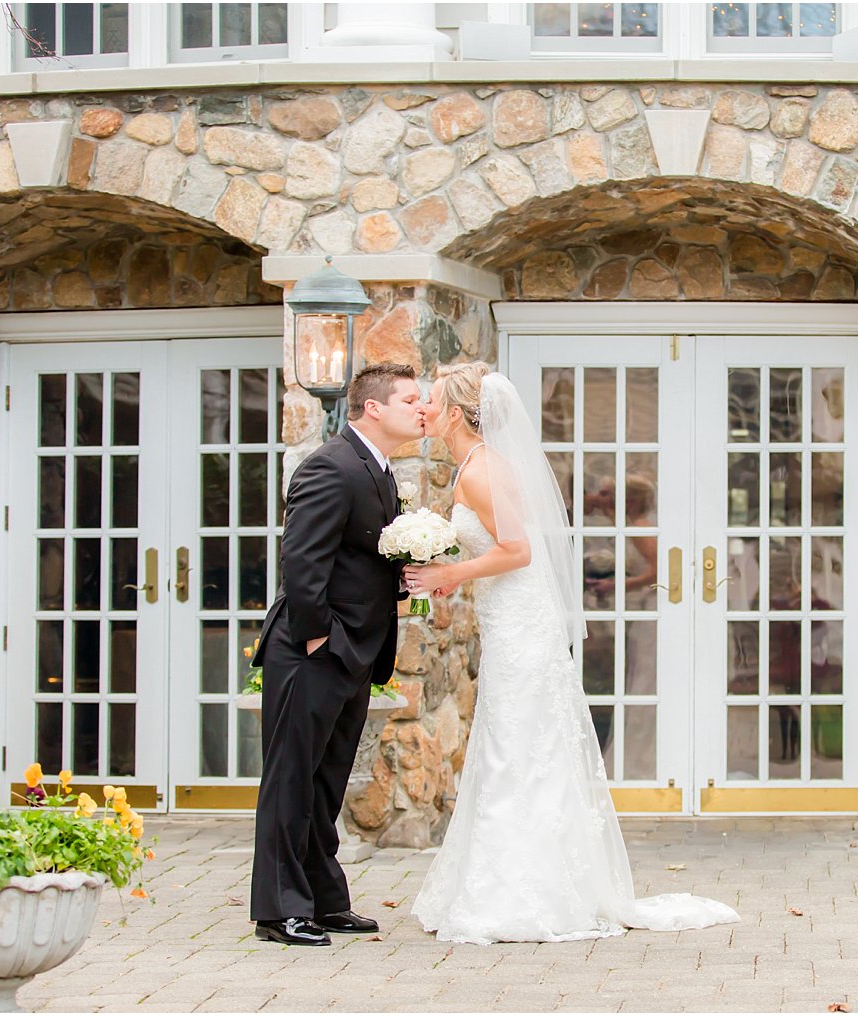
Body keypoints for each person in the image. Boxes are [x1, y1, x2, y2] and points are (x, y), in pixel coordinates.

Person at [405, 361, 738, 944]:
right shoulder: (474, 465)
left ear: (456, 413)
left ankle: (520, 894)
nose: (424, 410)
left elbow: (518, 550)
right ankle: (522, 878)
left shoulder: (480, 471)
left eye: (430, 401)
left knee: (515, 747)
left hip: (518, 622)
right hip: (509, 617)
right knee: (514, 744)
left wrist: (452, 572)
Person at [249, 363, 424, 946]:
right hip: (313, 651)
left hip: (352, 652)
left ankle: (323, 900)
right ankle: (278, 911)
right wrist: (319, 637)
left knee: (325, 785)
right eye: (408, 399)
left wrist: (403, 578)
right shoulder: (330, 465)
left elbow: (357, 558)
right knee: (291, 782)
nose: (419, 409)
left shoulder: (377, 468)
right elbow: (302, 563)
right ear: (373, 408)